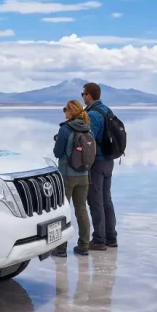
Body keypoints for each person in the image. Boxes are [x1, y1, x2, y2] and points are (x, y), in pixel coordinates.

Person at [50, 100, 93, 257]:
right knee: (81, 209)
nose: (64, 112)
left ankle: (61, 248)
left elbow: (57, 152)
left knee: (63, 210)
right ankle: (84, 245)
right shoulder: (88, 128)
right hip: (84, 175)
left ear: (70, 112)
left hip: (67, 175)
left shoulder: (65, 129)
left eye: (65, 110)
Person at [82, 82, 117, 250]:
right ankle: (111, 237)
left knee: (95, 201)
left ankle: (99, 240)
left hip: (97, 162)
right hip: (109, 161)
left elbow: (89, 140)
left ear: (89, 95)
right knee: (106, 200)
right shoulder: (106, 110)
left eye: (83, 94)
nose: (82, 97)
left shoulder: (94, 114)